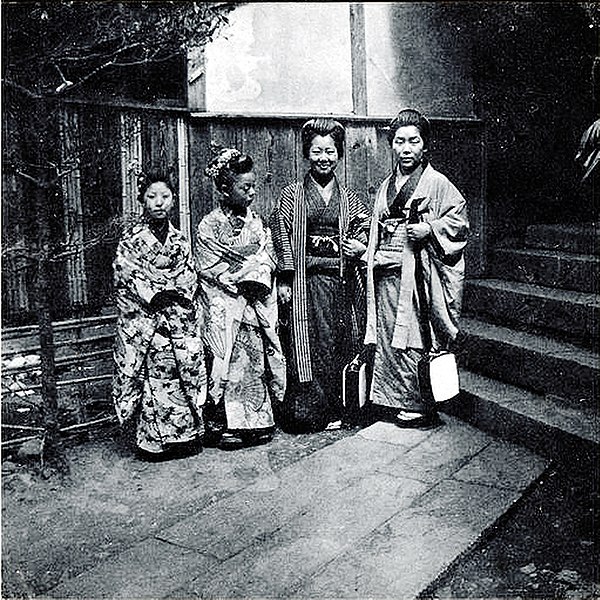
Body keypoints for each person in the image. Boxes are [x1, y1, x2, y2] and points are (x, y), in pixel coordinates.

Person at [364, 108, 469, 429]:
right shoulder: (386, 186)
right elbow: (378, 225)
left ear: (425, 145)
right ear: (391, 145)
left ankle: (421, 403)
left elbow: (459, 222)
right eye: (399, 141)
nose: (406, 148)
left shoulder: (438, 183)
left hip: (418, 275)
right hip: (387, 272)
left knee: (415, 337)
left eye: (413, 141)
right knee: (389, 336)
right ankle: (392, 399)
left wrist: (431, 228)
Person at [270, 118, 370, 432]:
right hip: (305, 284)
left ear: (339, 154)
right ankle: (309, 413)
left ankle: (342, 409)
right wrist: (285, 277)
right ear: (306, 154)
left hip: (340, 282)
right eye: (317, 151)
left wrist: (360, 246)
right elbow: (280, 232)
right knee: (305, 345)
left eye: (330, 151)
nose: (323, 157)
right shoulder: (292, 195)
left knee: (339, 343)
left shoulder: (350, 198)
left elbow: (364, 228)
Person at [196, 148, 286, 450]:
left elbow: (267, 255)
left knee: (255, 359)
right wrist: (237, 275)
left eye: (253, 186)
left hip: (253, 300)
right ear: (224, 189)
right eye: (243, 187)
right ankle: (224, 423)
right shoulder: (208, 225)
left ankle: (258, 421)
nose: (251, 192)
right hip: (225, 302)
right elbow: (207, 266)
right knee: (227, 358)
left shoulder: (257, 221)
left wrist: (255, 271)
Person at [112, 171, 206, 459]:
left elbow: (189, 277)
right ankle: (154, 442)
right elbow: (127, 275)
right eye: (151, 197)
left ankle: (186, 437)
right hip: (146, 319)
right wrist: (157, 295)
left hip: (176, 317)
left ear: (173, 200)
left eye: (165, 196)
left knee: (184, 356)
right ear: (142, 200)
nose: (158, 203)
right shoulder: (130, 241)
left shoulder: (180, 241)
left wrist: (171, 296)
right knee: (157, 358)